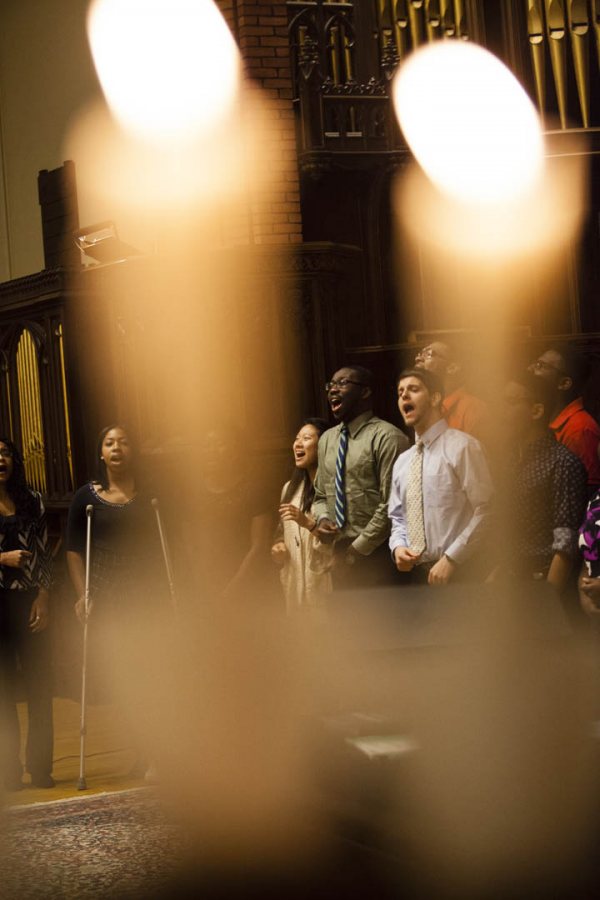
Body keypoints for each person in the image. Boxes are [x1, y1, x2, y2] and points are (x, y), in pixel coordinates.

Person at [65, 424, 171, 776]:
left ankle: (159, 752)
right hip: (106, 592)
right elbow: (74, 551)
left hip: (145, 592)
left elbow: (168, 543)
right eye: (109, 443)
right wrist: (83, 595)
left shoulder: (151, 495)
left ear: (133, 450)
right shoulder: (86, 498)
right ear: (101, 452)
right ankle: (143, 750)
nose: (116, 448)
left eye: (124, 442)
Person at [388, 369, 494, 585]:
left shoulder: (463, 447)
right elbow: (397, 517)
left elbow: (487, 509)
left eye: (413, 389)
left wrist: (452, 559)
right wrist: (398, 547)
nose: (404, 395)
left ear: (435, 398)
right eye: (400, 392)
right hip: (415, 575)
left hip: (462, 572)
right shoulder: (403, 461)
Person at [312, 365, 409, 588]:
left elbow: (392, 505)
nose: (333, 390)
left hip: (379, 554)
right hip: (338, 554)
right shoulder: (327, 439)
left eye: (342, 383)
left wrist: (354, 552)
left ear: (365, 391)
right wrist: (323, 519)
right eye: (330, 385)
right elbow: (320, 495)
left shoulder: (388, 437)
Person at [501, 372, 587, 596]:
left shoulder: (563, 462)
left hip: (540, 582)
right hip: (510, 579)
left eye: (510, 402)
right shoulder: (511, 459)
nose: (501, 411)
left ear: (536, 411)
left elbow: (565, 545)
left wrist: (547, 602)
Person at [0, 437, 53, 790]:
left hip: (31, 601)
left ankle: (40, 767)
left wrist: (44, 598)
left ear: (15, 460)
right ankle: (8, 771)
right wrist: (1, 558)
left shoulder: (32, 500)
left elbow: (45, 554)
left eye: (5, 453)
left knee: (39, 686)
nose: (0, 459)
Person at [183, 423, 277, 605]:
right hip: (205, 588)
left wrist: (233, 589)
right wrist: (202, 584)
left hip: (247, 587)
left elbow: (258, 546)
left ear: (235, 450)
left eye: (219, 444)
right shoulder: (194, 492)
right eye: (206, 445)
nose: (211, 450)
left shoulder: (254, 490)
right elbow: (190, 542)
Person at [271, 417, 331, 612]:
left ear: (323, 446)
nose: (298, 443)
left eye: (306, 438)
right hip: (294, 586)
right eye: (297, 438)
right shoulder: (289, 488)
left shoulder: (332, 488)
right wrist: (279, 547)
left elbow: (336, 541)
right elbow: (281, 532)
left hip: (324, 584)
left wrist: (306, 522)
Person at [529, 346, 600, 494]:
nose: (531, 370)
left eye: (541, 366)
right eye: (535, 363)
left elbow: (588, 490)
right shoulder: (546, 418)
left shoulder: (579, 428)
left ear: (564, 383)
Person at [414, 341, 490, 443]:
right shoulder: (423, 408)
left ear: (452, 368)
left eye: (429, 353)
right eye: (420, 353)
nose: (418, 358)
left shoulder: (473, 408)